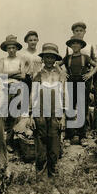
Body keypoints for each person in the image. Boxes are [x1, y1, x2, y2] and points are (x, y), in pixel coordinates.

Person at [29, 43, 66, 180]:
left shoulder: (61, 75)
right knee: (41, 147)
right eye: (47, 57)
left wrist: (63, 116)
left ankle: (53, 176)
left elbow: (64, 94)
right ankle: (40, 177)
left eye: (52, 57)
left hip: (55, 113)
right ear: (43, 59)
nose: (49, 60)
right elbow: (33, 95)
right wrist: (32, 114)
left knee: (54, 147)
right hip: (40, 113)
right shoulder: (38, 75)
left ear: (55, 59)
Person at [60, 35, 97, 146]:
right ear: (70, 46)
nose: (75, 45)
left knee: (82, 110)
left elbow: (96, 66)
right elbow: (58, 65)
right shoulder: (68, 58)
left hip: (82, 84)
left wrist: (90, 74)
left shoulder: (85, 57)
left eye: (77, 43)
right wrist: (62, 72)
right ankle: (69, 136)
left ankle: (82, 136)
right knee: (70, 109)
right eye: (73, 43)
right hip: (70, 83)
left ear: (81, 45)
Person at [0, 34, 30, 153]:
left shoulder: (20, 60)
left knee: (14, 114)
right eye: (9, 48)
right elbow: (0, 75)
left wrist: (8, 74)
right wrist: (16, 72)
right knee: (3, 114)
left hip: (17, 87)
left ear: (16, 48)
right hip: (4, 88)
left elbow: (22, 76)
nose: (11, 50)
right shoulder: (2, 60)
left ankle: (9, 141)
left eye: (13, 48)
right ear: (6, 49)